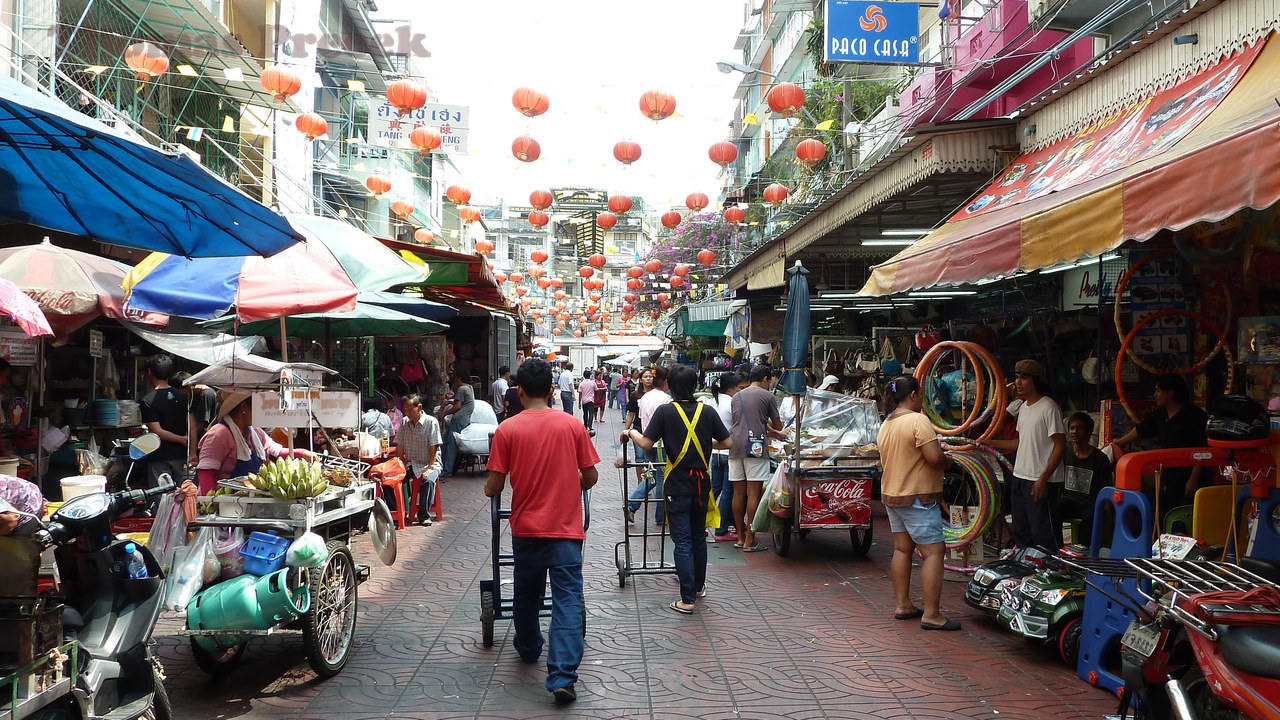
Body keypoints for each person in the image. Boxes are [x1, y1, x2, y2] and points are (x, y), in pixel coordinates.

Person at [484, 358, 599, 703]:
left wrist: (490, 489)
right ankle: (562, 674)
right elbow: (590, 477)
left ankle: (530, 646)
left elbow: (495, 484)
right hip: (565, 530)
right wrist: (570, 479)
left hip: (527, 529)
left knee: (526, 592)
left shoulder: (508, 429)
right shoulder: (572, 426)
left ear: (519, 391)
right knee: (566, 600)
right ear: (552, 389)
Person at [624, 365, 730, 614]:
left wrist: (632, 432)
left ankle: (687, 599)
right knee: (697, 538)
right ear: (694, 385)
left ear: (669, 385)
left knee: (681, 541)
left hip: (677, 484)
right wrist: (705, 443)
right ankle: (699, 587)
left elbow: (647, 443)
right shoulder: (707, 411)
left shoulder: (665, 412)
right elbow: (727, 442)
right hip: (702, 483)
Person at [877, 376, 960, 631]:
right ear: (913, 395)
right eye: (920, 394)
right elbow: (934, 458)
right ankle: (932, 614)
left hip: (892, 494)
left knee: (902, 549)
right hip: (917, 496)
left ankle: (903, 605)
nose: (922, 398)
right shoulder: (917, 420)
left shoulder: (888, 423)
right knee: (933, 552)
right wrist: (950, 462)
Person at [984, 360, 1067, 550]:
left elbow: (1060, 446)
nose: (1018, 382)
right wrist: (991, 443)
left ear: (1036, 380)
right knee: (1021, 530)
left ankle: (1049, 572)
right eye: (1017, 377)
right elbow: (1021, 443)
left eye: (1024, 377)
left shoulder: (1049, 407)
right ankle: (1026, 571)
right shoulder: (1023, 408)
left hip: (1039, 480)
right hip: (1020, 477)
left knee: (1044, 533)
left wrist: (1043, 478)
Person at [1113, 374, 1208, 515]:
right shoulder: (1160, 414)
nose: (1155, 394)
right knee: (1164, 513)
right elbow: (1140, 430)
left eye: (1158, 391)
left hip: (1191, 474)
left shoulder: (1195, 415)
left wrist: (1193, 479)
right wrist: (1118, 442)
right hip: (1168, 473)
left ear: (1171, 392)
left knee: (1189, 514)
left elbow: (1201, 449)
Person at [195, 390, 314, 494]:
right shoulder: (218, 435)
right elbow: (206, 475)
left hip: (248, 500)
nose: (261, 412)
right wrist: (211, 504)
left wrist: (303, 453)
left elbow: (277, 452)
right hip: (223, 503)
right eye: (259, 407)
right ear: (244, 408)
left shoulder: (256, 433)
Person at [729, 365, 783, 552]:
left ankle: (739, 536)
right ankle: (750, 539)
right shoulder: (767, 396)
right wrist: (777, 431)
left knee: (738, 493)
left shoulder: (736, 396)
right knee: (753, 493)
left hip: (735, 446)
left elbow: (740, 422)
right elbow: (778, 423)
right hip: (756, 447)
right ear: (766, 379)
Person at [1059, 412, 1113, 543]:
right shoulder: (1065, 453)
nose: (1074, 432)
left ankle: (1085, 554)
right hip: (1069, 501)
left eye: (1079, 428)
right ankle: (1056, 549)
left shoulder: (1100, 459)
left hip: (1090, 503)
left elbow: (1106, 491)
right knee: (1051, 510)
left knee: (1091, 517)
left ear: (1089, 431)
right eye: (1072, 428)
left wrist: (1109, 523)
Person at [626, 367, 670, 524]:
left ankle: (631, 504)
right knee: (660, 479)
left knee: (651, 477)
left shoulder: (643, 398)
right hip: (661, 444)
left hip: (647, 441)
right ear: (665, 381)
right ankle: (660, 516)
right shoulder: (666, 399)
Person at [701, 373, 742, 542]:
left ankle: (701, 524)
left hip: (714, 452)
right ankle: (721, 529)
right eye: (739, 388)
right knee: (727, 492)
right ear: (731, 388)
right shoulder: (732, 403)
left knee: (713, 491)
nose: (740, 391)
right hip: (728, 452)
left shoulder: (712, 402)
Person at [139, 355, 189, 489]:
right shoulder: (182, 396)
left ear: (149, 372)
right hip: (181, 456)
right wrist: (185, 440)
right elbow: (189, 423)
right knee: (184, 496)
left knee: (161, 499)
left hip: (159, 457)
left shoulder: (147, 400)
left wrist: (181, 439)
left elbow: (157, 431)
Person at [396, 394, 442, 526]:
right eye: (406, 410)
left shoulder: (431, 422)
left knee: (427, 481)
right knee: (391, 480)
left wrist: (430, 467)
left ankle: (423, 515)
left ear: (419, 407)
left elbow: (434, 446)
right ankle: (397, 511)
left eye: (411, 410)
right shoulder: (405, 422)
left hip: (430, 463)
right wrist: (399, 464)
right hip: (411, 463)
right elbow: (400, 444)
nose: (408, 413)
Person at [438, 374, 475, 476]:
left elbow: (458, 406)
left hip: (459, 419)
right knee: (444, 441)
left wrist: (444, 413)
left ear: (459, 378)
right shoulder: (469, 388)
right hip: (464, 419)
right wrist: (449, 402)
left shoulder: (461, 389)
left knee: (451, 444)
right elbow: (461, 402)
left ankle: (447, 470)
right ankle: (443, 467)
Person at [577, 370, 598, 436]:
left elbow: (580, 393)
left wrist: (579, 403)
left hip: (584, 400)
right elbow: (596, 390)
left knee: (585, 413)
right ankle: (590, 425)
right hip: (591, 400)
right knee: (591, 413)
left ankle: (585, 425)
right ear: (590, 375)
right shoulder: (593, 383)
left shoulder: (581, 384)